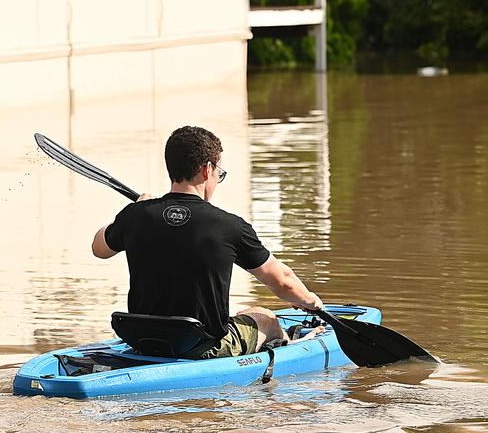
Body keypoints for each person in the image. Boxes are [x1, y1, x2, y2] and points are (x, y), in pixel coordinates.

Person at [91, 125, 324, 359]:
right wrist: (309, 300)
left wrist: (136, 209)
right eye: (218, 173)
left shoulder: (135, 216)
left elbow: (99, 248)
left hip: (143, 341)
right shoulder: (230, 226)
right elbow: (283, 282)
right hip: (202, 347)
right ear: (207, 169)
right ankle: (289, 349)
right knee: (266, 317)